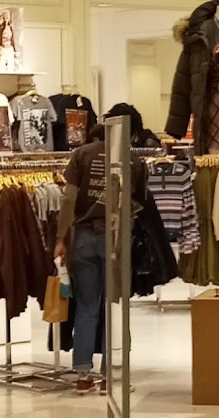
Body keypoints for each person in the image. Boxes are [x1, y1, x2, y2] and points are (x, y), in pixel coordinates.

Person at [54, 121, 148, 393]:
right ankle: (110, 376)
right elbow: (139, 201)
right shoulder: (132, 159)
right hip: (116, 238)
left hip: (83, 237)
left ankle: (83, 376)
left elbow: (68, 199)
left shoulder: (81, 154)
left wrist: (61, 238)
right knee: (113, 307)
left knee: (86, 307)